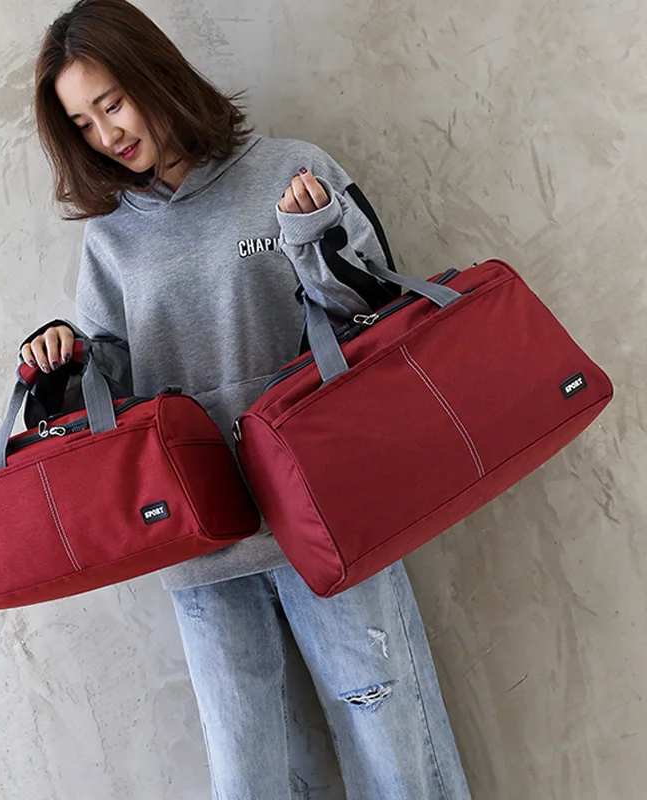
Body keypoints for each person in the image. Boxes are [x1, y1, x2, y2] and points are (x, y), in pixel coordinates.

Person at [24, 1, 472, 797]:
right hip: (203, 546)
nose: (105, 135)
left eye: (112, 103)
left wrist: (313, 240)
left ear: (153, 75)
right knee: (246, 778)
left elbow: (377, 324)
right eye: (83, 124)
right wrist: (63, 360)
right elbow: (110, 398)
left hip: (328, 518)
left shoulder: (291, 169)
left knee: (398, 754)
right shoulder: (111, 238)